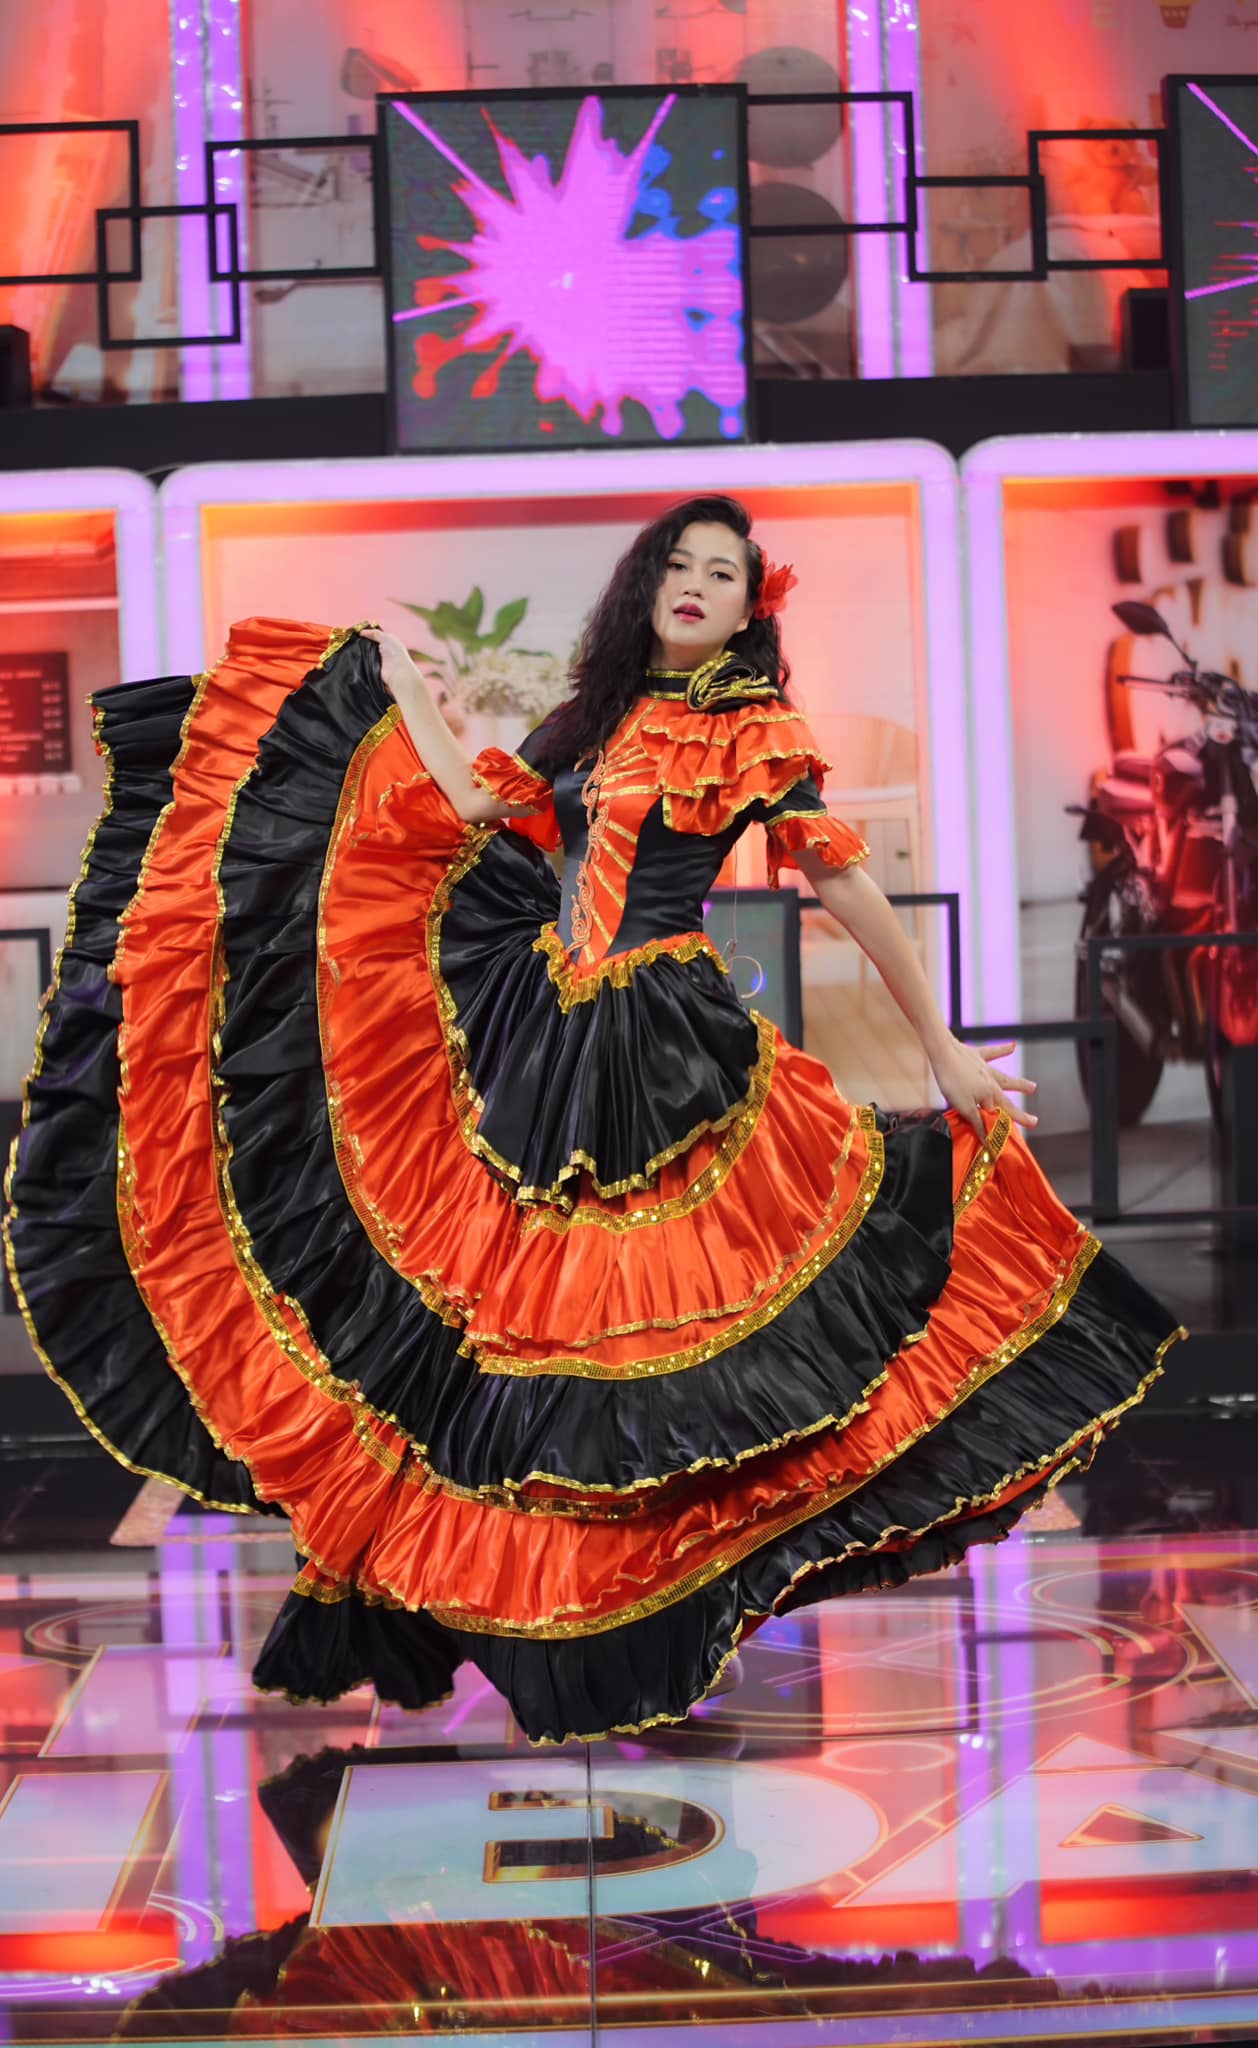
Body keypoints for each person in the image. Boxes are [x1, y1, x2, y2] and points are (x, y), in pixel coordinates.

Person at [4, 494, 1184, 1746]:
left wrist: (940, 1043)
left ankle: (660, 1600)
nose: (694, 583)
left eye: (721, 571)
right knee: (530, 1325)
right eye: (678, 563)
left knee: (672, 1328)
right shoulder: (598, 714)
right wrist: (399, 686)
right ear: (646, 585)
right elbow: (470, 807)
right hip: (553, 1029)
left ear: (749, 607)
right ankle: (557, 1610)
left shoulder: (752, 726)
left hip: (666, 1041)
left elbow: (842, 882)